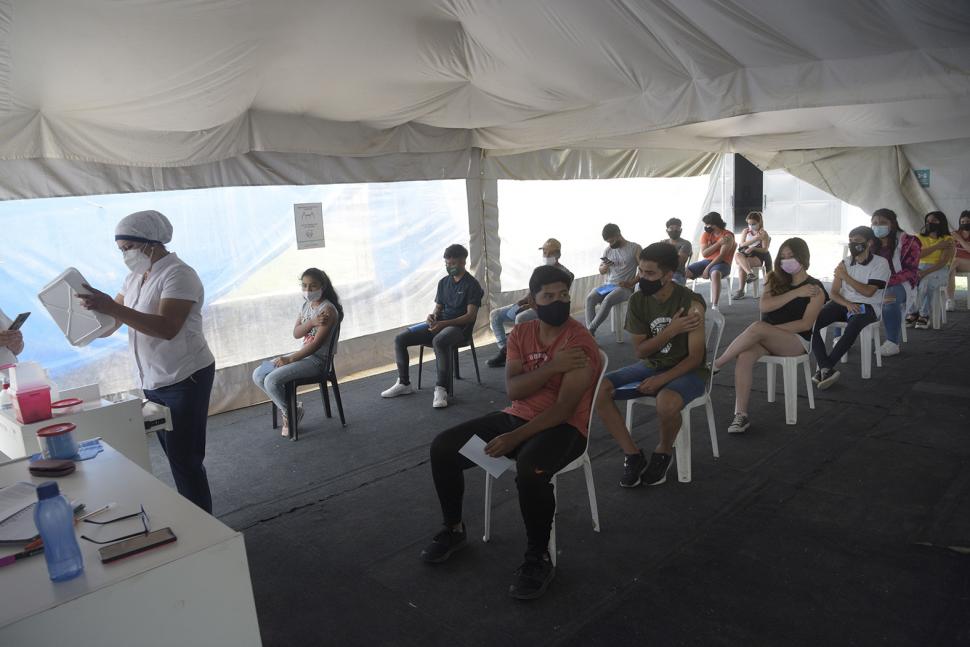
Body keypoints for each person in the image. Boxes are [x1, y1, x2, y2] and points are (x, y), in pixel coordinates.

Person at [420, 265, 601, 600]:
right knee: (444, 447)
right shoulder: (521, 334)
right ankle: (454, 529)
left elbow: (563, 409)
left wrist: (515, 439)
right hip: (516, 416)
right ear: (532, 300)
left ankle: (538, 556)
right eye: (549, 296)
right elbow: (515, 391)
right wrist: (554, 367)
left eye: (564, 295)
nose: (559, 302)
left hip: (564, 429)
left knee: (530, 471)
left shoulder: (580, 342)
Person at [79, 210, 215, 513]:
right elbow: (111, 323)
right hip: (154, 378)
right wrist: (89, 314)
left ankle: (205, 525)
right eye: (121, 250)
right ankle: (197, 517)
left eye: (128, 248)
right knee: (174, 453)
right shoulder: (134, 277)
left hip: (185, 376)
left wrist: (112, 308)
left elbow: (167, 327)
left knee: (186, 458)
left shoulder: (179, 274)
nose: (125, 255)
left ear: (151, 242)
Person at [595, 243, 707, 487]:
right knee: (598, 389)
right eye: (641, 272)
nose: (642, 279)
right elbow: (641, 350)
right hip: (652, 364)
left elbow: (695, 358)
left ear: (668, 276)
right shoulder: (638, 301)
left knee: (666, 402)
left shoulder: (692, 304)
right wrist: (671, 330)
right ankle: (632, 454)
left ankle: (663, 451)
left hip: (688, 370)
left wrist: (661, 380)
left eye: (649, 274)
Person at [713, 237, 826, 433]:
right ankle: (741, 415)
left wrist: (771, 331)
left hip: (796, 342)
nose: (786, 260)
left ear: (803, 257)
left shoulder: (815, 288)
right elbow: (764, 305)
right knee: (745, 355)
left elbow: (805, 324)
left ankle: (716, 364)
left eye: (791, 256)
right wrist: (795, 293)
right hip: (766, 337)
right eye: (783, 257)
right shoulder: (773, 278)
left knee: (758, 327)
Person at [382, 244, 483, 409]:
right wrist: (433, 316)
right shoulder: (443, 282)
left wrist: (443, 323)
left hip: (460, 328)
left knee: (439, 341)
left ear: (464, 262)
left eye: (453, 264)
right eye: (447, 264)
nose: (449, 267)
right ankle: (404, 383)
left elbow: (470, 316)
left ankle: (441, 389)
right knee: (401, 338)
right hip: (440, 323)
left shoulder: (472, 285)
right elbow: (438, 308)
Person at [252, 268, 342, 436]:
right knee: (258, 373)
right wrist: (312, 322)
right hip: (301, 356)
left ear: (322, 286)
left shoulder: (327, 310)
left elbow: (316, 345)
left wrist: (290, 359)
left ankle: (288, 413)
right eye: (305, 286)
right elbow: (296, 333)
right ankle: (293, 409)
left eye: (313, 286)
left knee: (271, 380)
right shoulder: (306, 306)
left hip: (317, 361)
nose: (308, 291)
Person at [809, 227, 890, 389]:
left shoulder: (880, 263)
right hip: (843, 303)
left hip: (868, 306)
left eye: (858, 241)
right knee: (811, 323)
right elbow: (833, 292)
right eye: (851, 241)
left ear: (869, 243)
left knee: (853, 326)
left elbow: (868, 292)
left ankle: (825, 367)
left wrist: (845, 276)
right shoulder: (844, 262)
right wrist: (846, 304)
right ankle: (826, 367)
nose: (853, 245)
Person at [487, 238, 573, 368]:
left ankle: (515, 352)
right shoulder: (539, 270)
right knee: (495, 315)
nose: (546, 256)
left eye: (549, 253)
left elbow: (557, 299)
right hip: (532, 303)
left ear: (558, 255)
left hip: (546, 308)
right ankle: (507, 349)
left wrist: (531, 305)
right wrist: (521, 302)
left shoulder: (566, 274)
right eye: (544, 253)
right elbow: (533, 291)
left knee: (520, 317)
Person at [871, 208, 920, 357]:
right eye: (875, 223)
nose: (878, 226)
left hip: (900, 284)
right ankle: (840, 337)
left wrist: (886, 281)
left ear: (893, 224)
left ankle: (892, 343)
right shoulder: (870, 241)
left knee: (889, 299)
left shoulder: (909, 241)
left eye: (883, 223)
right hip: (872, 284)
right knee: (843, 298)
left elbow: (911, 270)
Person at [585, 224, 641, 336]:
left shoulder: (635, 248)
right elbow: (601, 270)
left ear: (619, 234)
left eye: (612, 241)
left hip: (625, 287)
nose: (611, 244)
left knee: (608, 299)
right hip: (608, 285)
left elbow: (643, 270)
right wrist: (604, 267)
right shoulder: (608, 250)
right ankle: (590, 331)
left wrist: (631, 282)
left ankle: (589, 331)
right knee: (590, 298)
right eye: (608, 242)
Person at [913, 211, 955, 330]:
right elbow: (917, 255)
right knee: (909, 282)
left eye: (934, 221)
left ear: (941, 222)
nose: (930, 223)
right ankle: (914, 312)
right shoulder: (918, 237)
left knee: (926, 283)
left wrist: (924, 273)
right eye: (928, 221)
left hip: (939, 269)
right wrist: (938, 246)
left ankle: (922, 315)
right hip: (920, 266)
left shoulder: (948, 239)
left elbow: (943, 262)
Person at [685, 211, 736, 308]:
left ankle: (715, 306)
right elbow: (704, 253)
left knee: (715, 273)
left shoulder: (727, 236)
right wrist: (718, 244)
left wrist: (707, 268)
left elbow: (722, 255)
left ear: (715, 224)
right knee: (685, 272)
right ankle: (684, 301)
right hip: (707, 261)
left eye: (708, 224)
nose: (706, 227)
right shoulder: (706, 235)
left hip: (723, 263)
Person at [732, 211, 772, 300]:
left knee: (742, 265)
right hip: (745, 254)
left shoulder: (763, 233)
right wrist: (755, 239)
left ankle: (741, 291)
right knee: (737, 255)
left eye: (753, 224)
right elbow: (741, 245)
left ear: (759, 222)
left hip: (758, 256)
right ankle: (750, 274)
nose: (751, 226)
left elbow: (765, 249)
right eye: (749, 224)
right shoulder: (745, 231)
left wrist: (753, 248)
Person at [948, 210, 970, 311]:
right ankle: (950, 300)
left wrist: (960, 239)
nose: (965, 224)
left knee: (954, 261)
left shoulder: (958, 236)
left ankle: (942, 276)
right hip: (956, 264)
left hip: (967, 263)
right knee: (952, 269)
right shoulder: (955, 234)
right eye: (962, 222)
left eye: (967, 221)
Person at [661, 218, 692, 285]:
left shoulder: (686, 243)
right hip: (661, 272)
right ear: (667, 230)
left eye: (677, 228)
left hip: (676, 273)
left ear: (681, 230)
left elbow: (680, 261)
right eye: (671, 228)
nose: (674, 230)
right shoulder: (662, 242)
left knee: (672, 284)